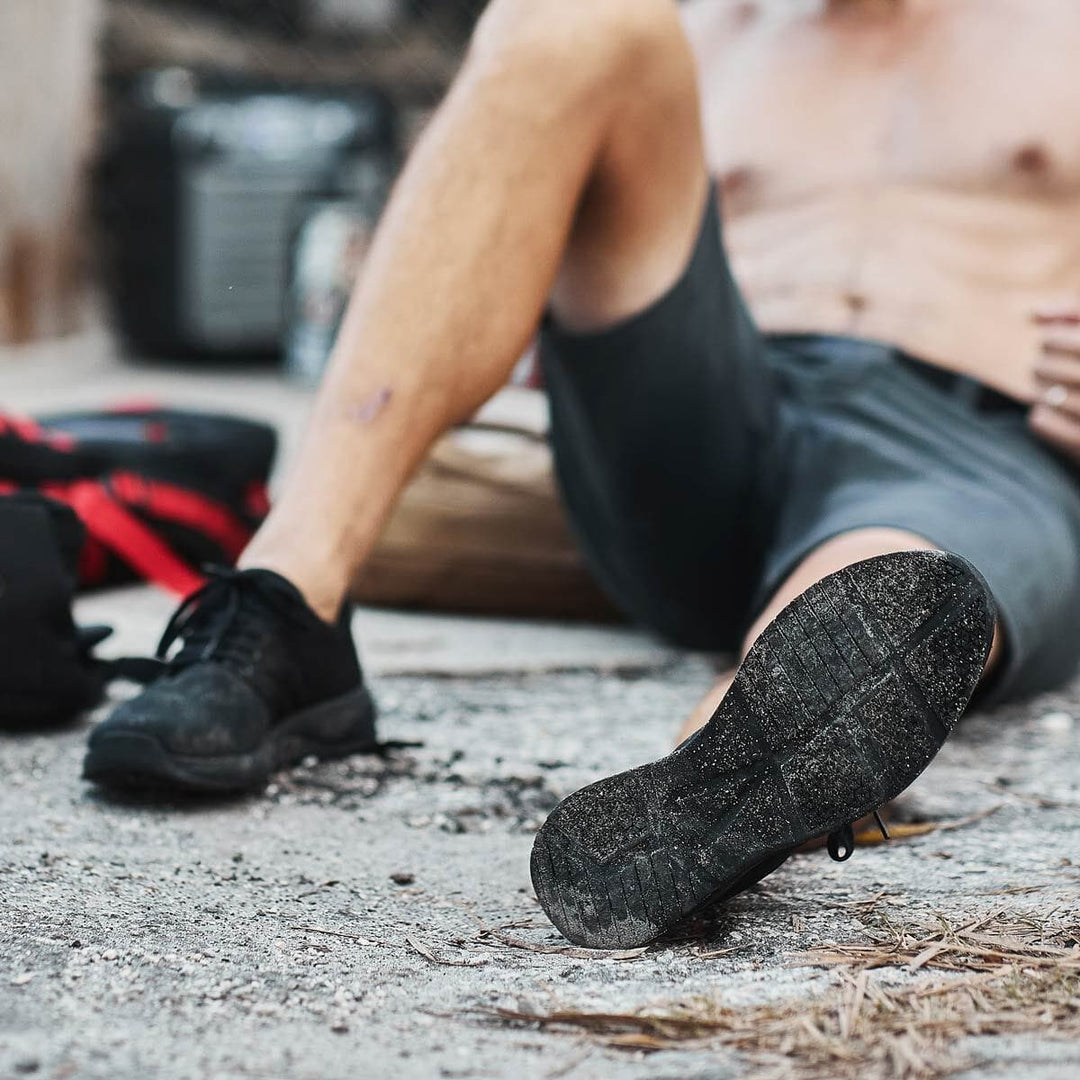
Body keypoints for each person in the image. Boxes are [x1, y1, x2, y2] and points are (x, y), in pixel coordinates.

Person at [84, 0, 1080, 948]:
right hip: (703, 420)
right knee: (575, 14)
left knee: (884, 590)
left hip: (963, 436)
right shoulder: (697, 31)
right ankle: (288, 602)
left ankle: (728, 768)